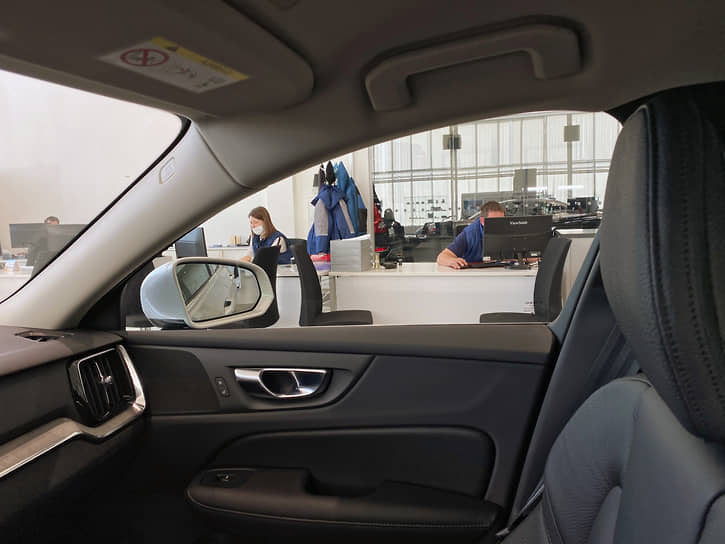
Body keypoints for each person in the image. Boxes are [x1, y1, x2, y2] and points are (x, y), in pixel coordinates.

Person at [436, 201, 505, 269]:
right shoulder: (470, 233)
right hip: (473, 272)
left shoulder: (506, 229)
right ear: (482, 221)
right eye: (493, 221)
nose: (498, 226)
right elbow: (441, 258)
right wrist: (452, 261)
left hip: (499, 271)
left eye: (501, 221)